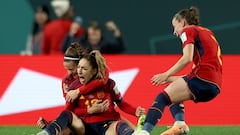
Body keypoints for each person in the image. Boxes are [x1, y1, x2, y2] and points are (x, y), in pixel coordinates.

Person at [135, 6, 222, 135]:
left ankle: (144, 132)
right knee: (172, 84)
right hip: (214, 85)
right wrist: (168, 78)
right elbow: (196, 70)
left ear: (182, 23)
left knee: (162, 98)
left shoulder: (188, 30)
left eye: (175, 26)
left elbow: (186, 58)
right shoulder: (207, 32)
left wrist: (166, 74)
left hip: (202, 79)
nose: (175, 32)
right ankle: (180, 124)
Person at [36, 50, 145, 135]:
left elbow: (121, 103)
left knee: (119, 125)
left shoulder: (109, 84)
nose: (79, 71)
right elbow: (69, 113)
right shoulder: (73, 88)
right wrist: (89, 110)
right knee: (66, 116)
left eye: (84, 68)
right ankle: (47, 132)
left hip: (106, 126)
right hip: (84, 128)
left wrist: (135, 111)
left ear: (93, 71)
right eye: (78, 67)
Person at [61, 20, 126, 54]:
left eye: (96, 34)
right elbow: (65, 49)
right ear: (87, 35)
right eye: (92, 34)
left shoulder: (105, 46)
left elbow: (121, 47)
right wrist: (71, 32)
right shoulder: (80, 44)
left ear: (101, 35)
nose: (94, 37)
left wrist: (115, 30)